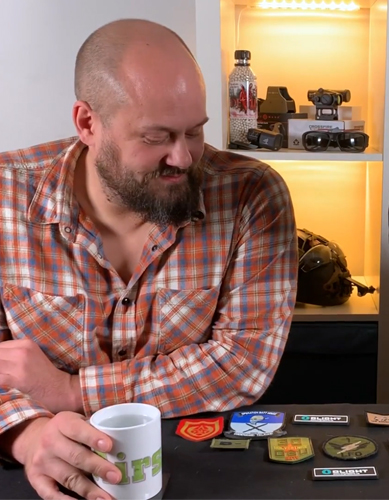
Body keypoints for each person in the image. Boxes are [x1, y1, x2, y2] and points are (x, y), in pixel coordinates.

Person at [0, 18, 297, 500]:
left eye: (194, 132)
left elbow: (244, 363)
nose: (184, 158)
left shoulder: (251, 195)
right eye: (156, 137)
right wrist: (24, 435)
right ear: (87, 123)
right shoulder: (6, 196)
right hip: (36, 472)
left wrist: (70, 392)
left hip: (201, 467)